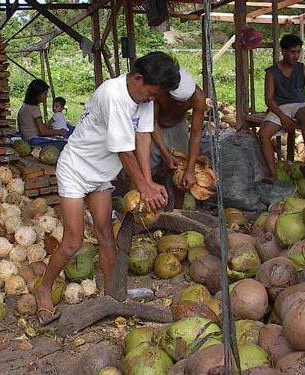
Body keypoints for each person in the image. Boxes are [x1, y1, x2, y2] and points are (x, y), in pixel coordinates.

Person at [34, 52, 180, 325]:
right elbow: (125, 152)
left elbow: (143, 138)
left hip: (101, 173)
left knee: (105, 235)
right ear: (138, 79)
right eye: (150, 93)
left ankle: (112, 295)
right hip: (76, 169)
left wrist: (147, 183)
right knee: (73, 241)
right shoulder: (113, 95)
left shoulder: (144, 96)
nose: (151, 99)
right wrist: (143, 188)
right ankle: (43, 288)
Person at [259, 34, 305, 180]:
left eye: (298, 52)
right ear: (283, 51)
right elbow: (269, 100)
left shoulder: (304, 70)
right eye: (292, 52)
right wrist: (282, 117)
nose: (296, 55)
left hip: (300, 105)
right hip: (280, 107)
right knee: (263, 134)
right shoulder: (272, 73)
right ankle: (273, 174)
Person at [150, 68, 208, 208]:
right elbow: (151, 123)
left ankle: (177, 211)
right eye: (176, 101)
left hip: (178, 125)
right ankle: (143, 211)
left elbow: (195, 134)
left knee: (181, 171)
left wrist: (190, 168)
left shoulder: (198, 97)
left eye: (184, 103)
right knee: (147, 167)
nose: (180, 105)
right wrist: (165, 153)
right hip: (154, 126)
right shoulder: (159, 91)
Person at [17, 79, 66, 146]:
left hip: (27, 138)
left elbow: (38, 127)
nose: (46, 96)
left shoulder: (25, 106)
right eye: (45, 94)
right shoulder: (34, 108)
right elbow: (42, 132)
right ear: (37, 94)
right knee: (65, 144)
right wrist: (59, 132)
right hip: (33, 140)